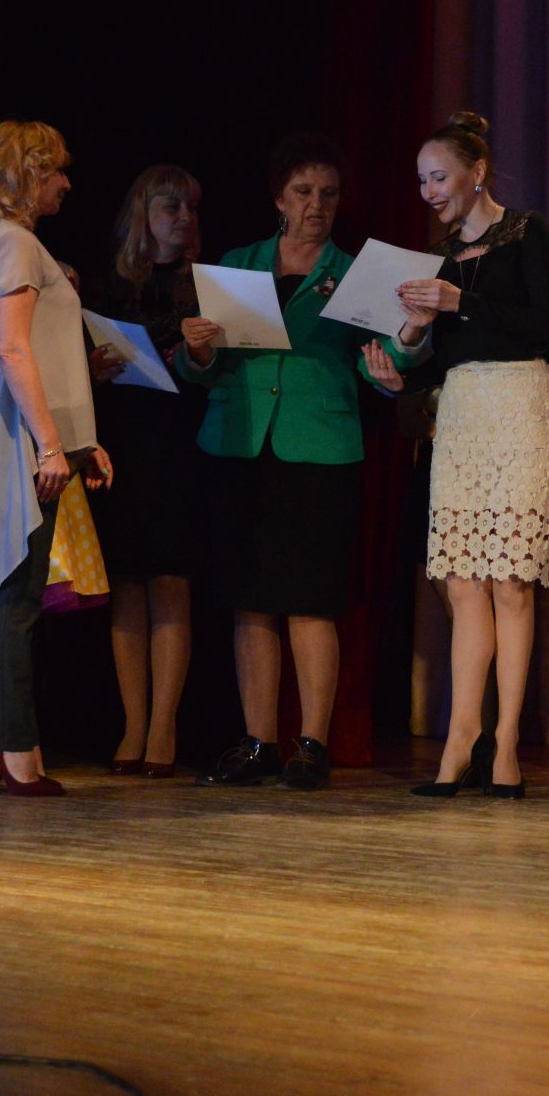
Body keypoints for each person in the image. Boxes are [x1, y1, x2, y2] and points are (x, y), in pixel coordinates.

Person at [366, 111, 549, 799]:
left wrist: (462, 302)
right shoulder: (439, 258)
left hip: (518, 405)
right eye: (421, 180)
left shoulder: (528, 232)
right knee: (459, 582)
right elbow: (442, 356)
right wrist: (404, 355)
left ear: (476, 173)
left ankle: (504, 744)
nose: (428, 191)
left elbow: (543, 326)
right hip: (461, 414)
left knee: (509, 581)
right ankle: (459, 739)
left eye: (438, 177)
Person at [178, 135, 368, 791]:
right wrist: (197, 350)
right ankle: (259, 742)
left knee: (311, 599)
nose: (317, 205)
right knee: (250, 599)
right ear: (279, 198)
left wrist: (404, 342)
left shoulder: (354, 274)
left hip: (320, 448)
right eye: (303, 192)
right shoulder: (239, 265)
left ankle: (311, 746)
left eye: (328, 193)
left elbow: (393, 358)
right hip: (240, 442)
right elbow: (205, 369)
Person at [0, 120, 113, 797]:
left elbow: (47, 353)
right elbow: (14, 349)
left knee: (16, 594)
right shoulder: (14, 243)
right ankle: (13, 747)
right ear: (26, 174)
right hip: (21, 437)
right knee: (17, 596)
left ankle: (10, 743)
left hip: (31, 435)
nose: (66, 184)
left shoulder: (9, 242)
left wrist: (81, 442)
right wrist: (51, 444)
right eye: (54, 171)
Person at [86, 166, 206, 779]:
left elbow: (216, 369)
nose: (182, 218)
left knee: (170, 579)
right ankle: (133, 725)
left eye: (190, 208)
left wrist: (199, 352)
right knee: (127, 583)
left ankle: (164, 727)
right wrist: (93, 367)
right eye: (170, 207)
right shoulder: (110, 286)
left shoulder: (203, 286)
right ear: (143, 213)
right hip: (125, 440)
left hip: (179, 443)